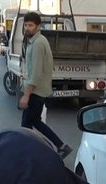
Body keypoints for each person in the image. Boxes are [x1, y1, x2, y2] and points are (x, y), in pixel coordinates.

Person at [19, 12, 73, 159]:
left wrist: (26, 95)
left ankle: (29, 155)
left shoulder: (38, 44)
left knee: (25, 127)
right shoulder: (36, 41)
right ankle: (61, 146)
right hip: (39, 91)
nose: (27, 28)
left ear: (38, 27)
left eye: (30, 25)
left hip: (36, 92)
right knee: (34, 122)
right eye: (25, 25)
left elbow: (35, 74)